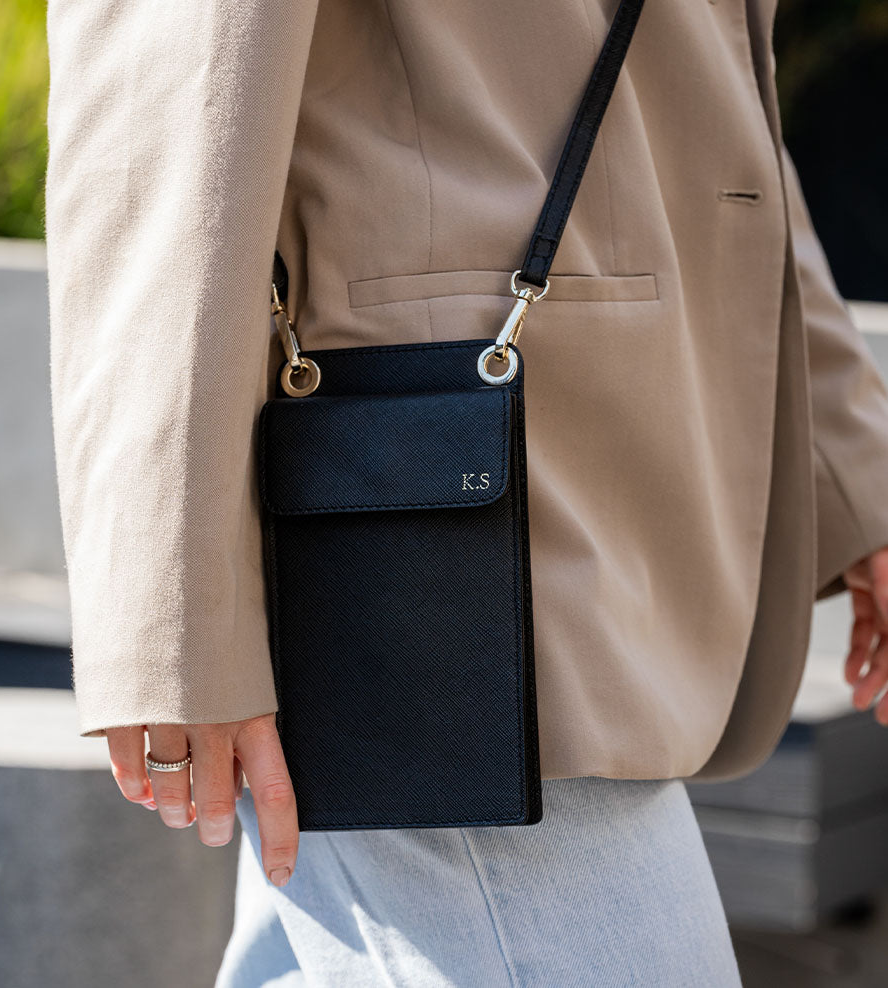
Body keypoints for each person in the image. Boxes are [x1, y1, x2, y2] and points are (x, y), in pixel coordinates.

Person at [43, 0, 888, 983]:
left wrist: (850, 463)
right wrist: (170, 609)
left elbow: (722, 101)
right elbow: (160, 99)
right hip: (442, 511)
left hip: (621, 465)